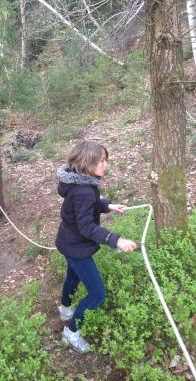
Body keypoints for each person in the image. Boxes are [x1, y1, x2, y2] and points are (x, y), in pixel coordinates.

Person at [55, 140, 137, 353]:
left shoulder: (81, 184)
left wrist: (107, 205)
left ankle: (65, 308)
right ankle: (71, 332)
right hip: (76, 246)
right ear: (87, 163)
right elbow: (86, 227)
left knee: (73, 276)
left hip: (68, 242)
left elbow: (89, 203)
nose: (105, 164)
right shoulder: (83, 189)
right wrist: (116, 240)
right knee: (97, 294)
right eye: (102, 160)